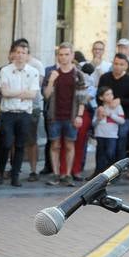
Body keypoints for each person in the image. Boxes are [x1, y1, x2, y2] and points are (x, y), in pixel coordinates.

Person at [0, 40, 40, 186]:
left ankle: (15, 176)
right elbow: (5, 92)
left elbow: (33, 94)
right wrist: (22, 92)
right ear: (13, 54)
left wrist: (14, 93)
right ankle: (0, 173)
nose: (20, 55)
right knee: (6, 143)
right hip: (8, 112)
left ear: (28, 56)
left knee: (20, 145)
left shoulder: (33, 72)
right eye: (18, 52)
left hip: (25, 113)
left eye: (23, 53)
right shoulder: (5, 70)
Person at [43, 44, 83, 187]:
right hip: (54, 115)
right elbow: (46, 96)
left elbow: (82, 98)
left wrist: (79, 115)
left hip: (71, 116)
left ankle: (67, 174)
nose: (63, 57)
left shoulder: (78, 74)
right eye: (61, 54)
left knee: (69, 145)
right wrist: (52, 81)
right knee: (55, 145)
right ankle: (55, 174)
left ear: (72, 56)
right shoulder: (52, 73)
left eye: (66, 54)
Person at [93, 87, 125, 175]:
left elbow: (122, 121)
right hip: (100, 134)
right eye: (107, 94)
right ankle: (98, 173)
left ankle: (110, 173)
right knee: (100, 154)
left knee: (110, 153)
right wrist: (99, 118)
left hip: (111, 135)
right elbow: (93, 123)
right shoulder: (99, 108)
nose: (111, 96)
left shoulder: (117, 107)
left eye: (111, 94)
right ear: (101, 97)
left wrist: (110, 114)